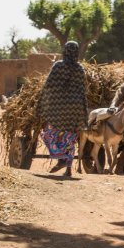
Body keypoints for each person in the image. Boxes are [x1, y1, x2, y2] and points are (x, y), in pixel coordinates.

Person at [37, 41, 87, 177]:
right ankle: (68, 168)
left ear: (65, 51)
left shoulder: (58, 66)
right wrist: (82, 110)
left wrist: (43, 103)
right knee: (70, 137)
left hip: (59, 108)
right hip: (76, 108)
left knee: (49, 134)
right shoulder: (80, 69)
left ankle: (61, 158)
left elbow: (49, 86)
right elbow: (83, 90)